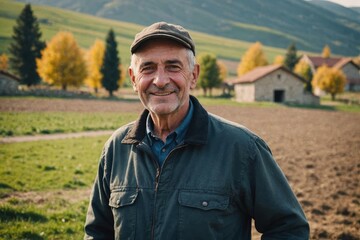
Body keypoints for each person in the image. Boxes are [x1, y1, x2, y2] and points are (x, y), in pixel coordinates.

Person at [84, 21, 309, 240]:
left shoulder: (242, 149)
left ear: (193, 75)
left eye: (173, 66)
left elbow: (289, 228)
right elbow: (98, 232)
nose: (160, 80)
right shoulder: (116, 148)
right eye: (148, 68)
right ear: (134, 79)